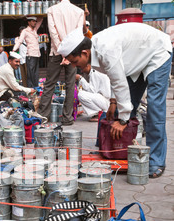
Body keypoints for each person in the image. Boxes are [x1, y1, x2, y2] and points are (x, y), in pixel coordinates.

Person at [58, 23, 173, 178]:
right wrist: (113, 102)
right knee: (119, 110)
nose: (73, 66)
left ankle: (156, 161)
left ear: (84, 53)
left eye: (74, 61)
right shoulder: (95, 52)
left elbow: (119, 82)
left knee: (154, 108)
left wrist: (124, 120)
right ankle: (110, 150)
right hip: (137, 59)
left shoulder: (106, 50)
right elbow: (115, 77)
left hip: (157, 52)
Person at [37, 0, 86, 126]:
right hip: (73, 53)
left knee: (49, 84)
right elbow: (78, 35)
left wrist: (62, 51)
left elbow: (53, 33)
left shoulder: (52, 10)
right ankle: (67, 118)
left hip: (56, 52)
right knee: (71, 85)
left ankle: (43, 117)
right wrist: (68, 53)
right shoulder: (79, 12)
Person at [13, 16, 43, 88]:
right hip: (30, 55)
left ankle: (35, 88)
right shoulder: (25, 31)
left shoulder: (34, 30)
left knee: (36, 74)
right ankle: (30, 89)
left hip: (37, 55)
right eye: (33, 21)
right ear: (28, 22)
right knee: (30, 75)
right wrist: (14, 50)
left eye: (35, 21)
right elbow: (20, 41)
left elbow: (40, 19)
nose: (35, 22)